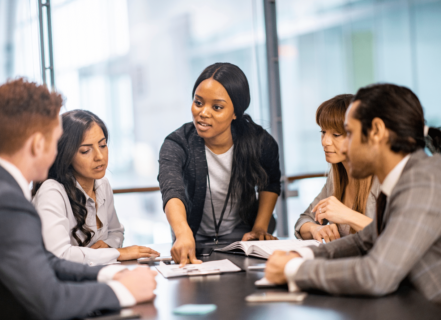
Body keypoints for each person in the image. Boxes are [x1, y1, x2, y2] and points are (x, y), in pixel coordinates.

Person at [0, 78, 157, 320]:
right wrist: (122, 291)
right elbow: (51, 301)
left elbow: (47, 260)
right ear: (39, 144)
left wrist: (107, 275)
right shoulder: (4, 204)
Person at [265, 83, 441, 303]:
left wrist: (293, 270)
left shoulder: (424, 182)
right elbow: (362, 241)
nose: (344, 147)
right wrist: (302, 255)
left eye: (348, 133)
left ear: (376, 131)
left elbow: (376, 275)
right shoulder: (403, 179)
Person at [158, 63, 281, 266]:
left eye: (217, 107)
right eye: (198, 103)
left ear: (235, 112)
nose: (203, 113)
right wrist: (182, 232)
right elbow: (172, 189)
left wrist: (260, 227)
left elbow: (271, 183)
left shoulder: (260, 141)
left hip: (242, 236)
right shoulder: (178, 143)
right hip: (192, 236)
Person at [32, 110, 159, 266]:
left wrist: (108, 247)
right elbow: (59, 254)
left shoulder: (102, 184)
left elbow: (116, 232)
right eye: (86, 150)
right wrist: (118, 253)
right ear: (67, 155)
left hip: (96, 276)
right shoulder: (51, 191)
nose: (100, 156)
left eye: (103, 145)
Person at [295, 94, 380, 242]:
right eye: (323, 132)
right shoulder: (335, 177)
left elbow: (397, 237)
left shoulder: (381, 178)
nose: (325, 142)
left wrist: (347, 215)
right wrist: (316, 229)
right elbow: (304, 221)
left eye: (336, 134)